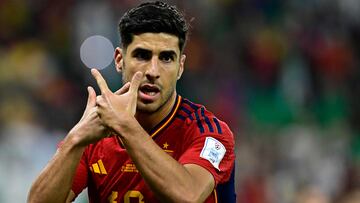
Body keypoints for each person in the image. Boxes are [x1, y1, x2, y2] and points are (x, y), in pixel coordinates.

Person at [28, 1, 235, 202]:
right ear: (119, 60)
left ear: (180, 67)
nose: (153, 71)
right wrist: (75, 140)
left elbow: (188, 196)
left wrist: (125, 125)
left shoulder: (209, 132)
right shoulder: (95, 132)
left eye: (166, 58)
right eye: (142, 56)